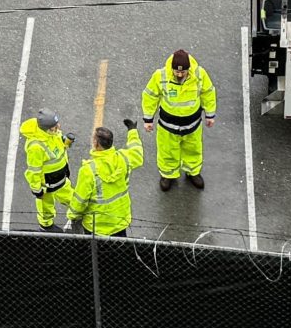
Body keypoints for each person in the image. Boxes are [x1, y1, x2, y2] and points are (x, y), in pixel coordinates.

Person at [141, 49, 218, 192]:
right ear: (172, 69)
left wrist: (210, 115)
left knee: (193, 149)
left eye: (183, 72)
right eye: (177, 72)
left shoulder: (200, 75)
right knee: (167, 151)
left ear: (189, 69)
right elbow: (150, 96)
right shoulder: (161, 76)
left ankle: (193, 172)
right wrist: (148, 119)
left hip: (192, 125)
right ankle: (168, 175)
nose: (180, 74)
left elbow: (208, 93)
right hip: (168, 126)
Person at [67, 120, 144, 237]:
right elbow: (137, 152)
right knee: (119, 252)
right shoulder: (123, 158)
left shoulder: (88, 170)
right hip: (119, 221)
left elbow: (80, 200)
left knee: (95, 254)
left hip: (95, 226)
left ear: (96, 144)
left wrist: (73, 216)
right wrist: (132, 131)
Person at [17, 110, 75, 231]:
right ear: (47, 129)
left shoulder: (53, 134)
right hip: (47, 185)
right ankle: (46, 227)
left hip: (61, 180)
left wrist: (65, 142)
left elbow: (57, 149)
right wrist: (37, 189)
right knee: (46, 208)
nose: (59, 127)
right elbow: (34, 171)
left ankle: (76, 218)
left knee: (74, 201)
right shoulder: (36, 147)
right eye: (55, 126)